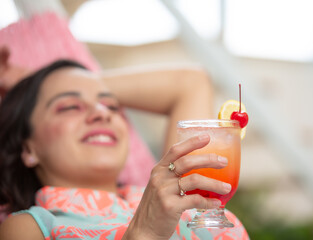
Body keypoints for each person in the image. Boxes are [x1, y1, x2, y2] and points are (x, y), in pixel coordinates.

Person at [0, 60, 249, 239]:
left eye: (110, 105)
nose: (101, 113)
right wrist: (144, 234)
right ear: (28, 147)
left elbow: (192, 82)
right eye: (69, 107)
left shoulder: (182, 199)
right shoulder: (29, 228)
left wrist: (45, 81)